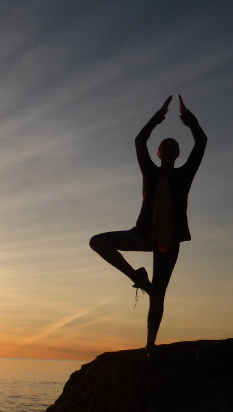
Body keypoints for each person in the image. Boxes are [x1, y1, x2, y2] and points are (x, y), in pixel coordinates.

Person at [89, 95, 207, 356]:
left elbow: (201, 142)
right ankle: (137, 277)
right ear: (158, 152)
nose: (169, 149)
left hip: (169, 241)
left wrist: (187, 119)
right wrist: (159, 115)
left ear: (178, 154)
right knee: (97, 241)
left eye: (174, 147)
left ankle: (150, 345)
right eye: (165, 146)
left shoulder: (184, 175)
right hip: (142, 234)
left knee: (158, 293)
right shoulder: (150, 173)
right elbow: (140, 140)